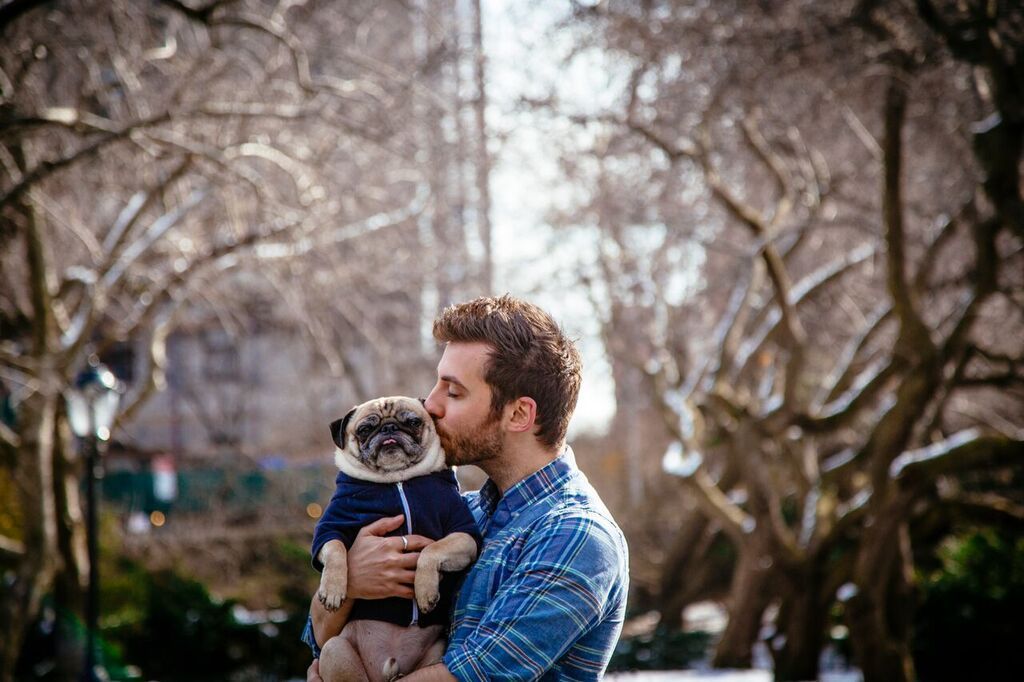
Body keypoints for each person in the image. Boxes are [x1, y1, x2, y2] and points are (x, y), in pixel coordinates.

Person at [304, 295, 629, 681]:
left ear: (519, 414)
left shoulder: (575, 534)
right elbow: (319, 639)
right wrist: (352, 580)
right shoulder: (466, 512)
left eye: (453, 392)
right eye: (436, 385)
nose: (432, 404)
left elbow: (473, 675)